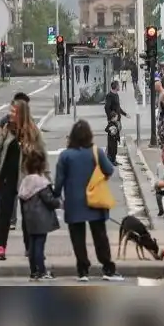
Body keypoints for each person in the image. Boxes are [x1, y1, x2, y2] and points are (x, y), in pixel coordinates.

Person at [53, 120, 125, 282]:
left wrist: (57, 196)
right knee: (100, 235)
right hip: (95, 199)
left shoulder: (65, 155)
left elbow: (58, 182)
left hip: (73, 202)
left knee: (77, 237)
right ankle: (107, 267)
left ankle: (83, 270)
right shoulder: (96, 152)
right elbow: (109, 170)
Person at [0, 99, 47, 261]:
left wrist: (45, 178)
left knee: (27, 215)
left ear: (22, 113)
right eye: (10, 111)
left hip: (26, 179)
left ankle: (29, 248)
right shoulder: (5, 129)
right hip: (6, 178)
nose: (10, 114)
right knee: (5, 214)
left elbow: (42, 155)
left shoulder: (32, 131)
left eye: (14, 112)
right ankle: (1, 248)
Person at [18, 148, 61, 281]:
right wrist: (58, 203)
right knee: (39, 246)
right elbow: (49, 200)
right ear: (42, 165)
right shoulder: (41, 183)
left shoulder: (25, 182)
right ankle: (41, 271)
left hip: (29, 219)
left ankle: (33, 271)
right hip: (41, 219)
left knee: (32, 245)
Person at [0, 92, 31, 230]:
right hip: (8, 168)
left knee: (24, 196)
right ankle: (9, 221)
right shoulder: (5, 123)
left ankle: (24, 223)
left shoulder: (30, 125)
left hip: (24, 167)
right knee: (9, 196)